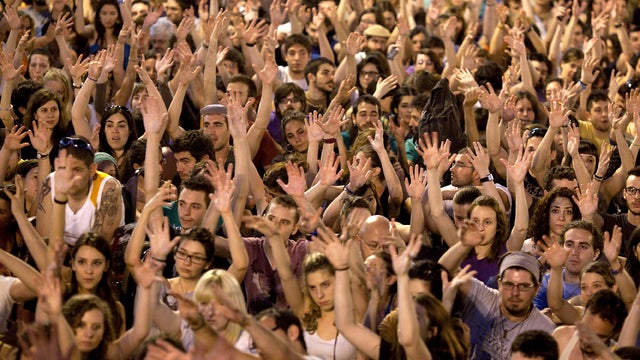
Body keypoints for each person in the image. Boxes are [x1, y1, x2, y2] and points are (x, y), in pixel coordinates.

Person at [439, 249, 555, 359]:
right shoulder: (481, 296)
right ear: (499, 284)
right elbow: (445, 270)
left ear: (536, 289)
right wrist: (465, 244)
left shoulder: (544, 329)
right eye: (508, 284)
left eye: (523, 286)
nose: (515, 293)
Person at [36, 136, 124, 245]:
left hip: (99, 256)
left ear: (92, 170)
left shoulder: (108, 188)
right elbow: (44, 240)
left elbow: (97, 249)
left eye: (77, 170)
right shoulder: (51, 182)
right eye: (64, 168)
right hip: (60, 254)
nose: (69, 177)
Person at [552, 290, 627, 359]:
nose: (586, 340)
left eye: (597, 337)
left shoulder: (618, 356)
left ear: (616, 333)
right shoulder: (561, 337)